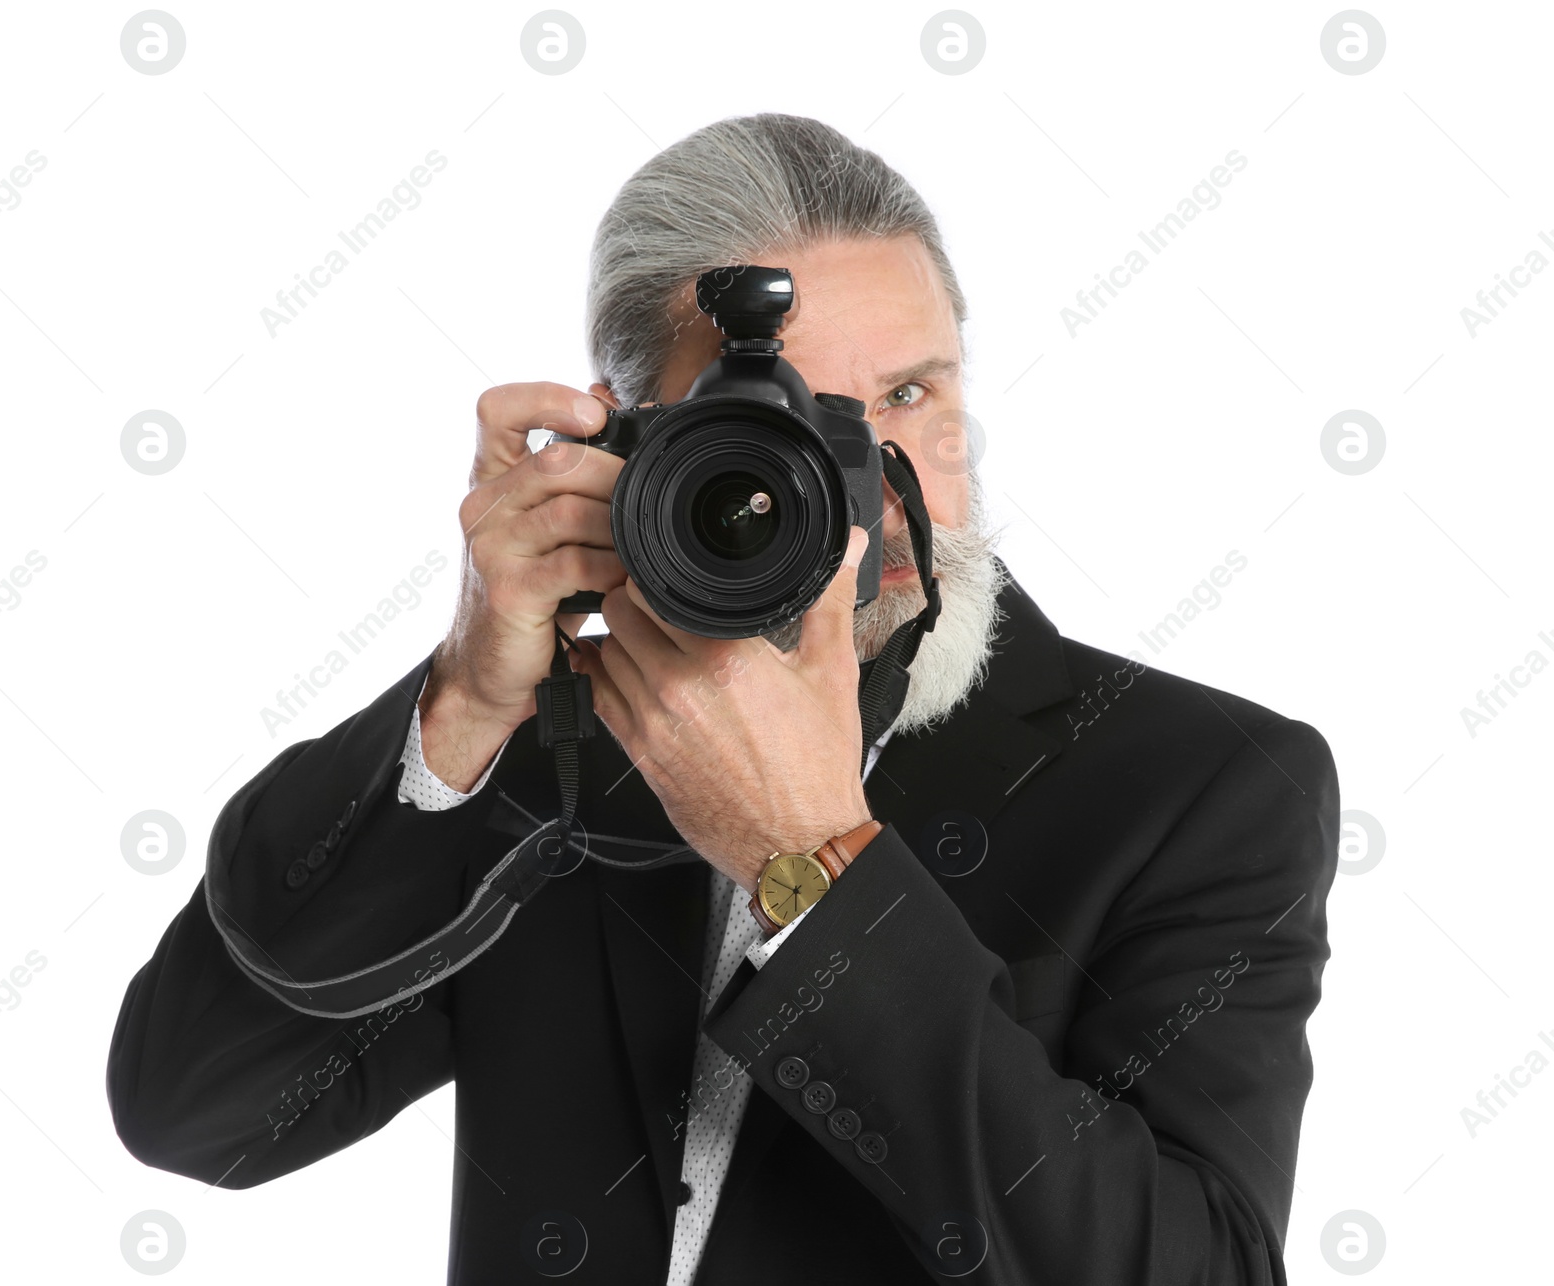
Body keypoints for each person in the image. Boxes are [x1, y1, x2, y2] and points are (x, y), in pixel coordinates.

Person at [107, 113, 1339, 1284]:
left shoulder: (1201, 788)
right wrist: (469, 699)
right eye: (794, 421)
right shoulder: (559, 754)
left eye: (908, 396)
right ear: (629, 443)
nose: (866, 489)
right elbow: (200, 1110)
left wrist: (810, 860)